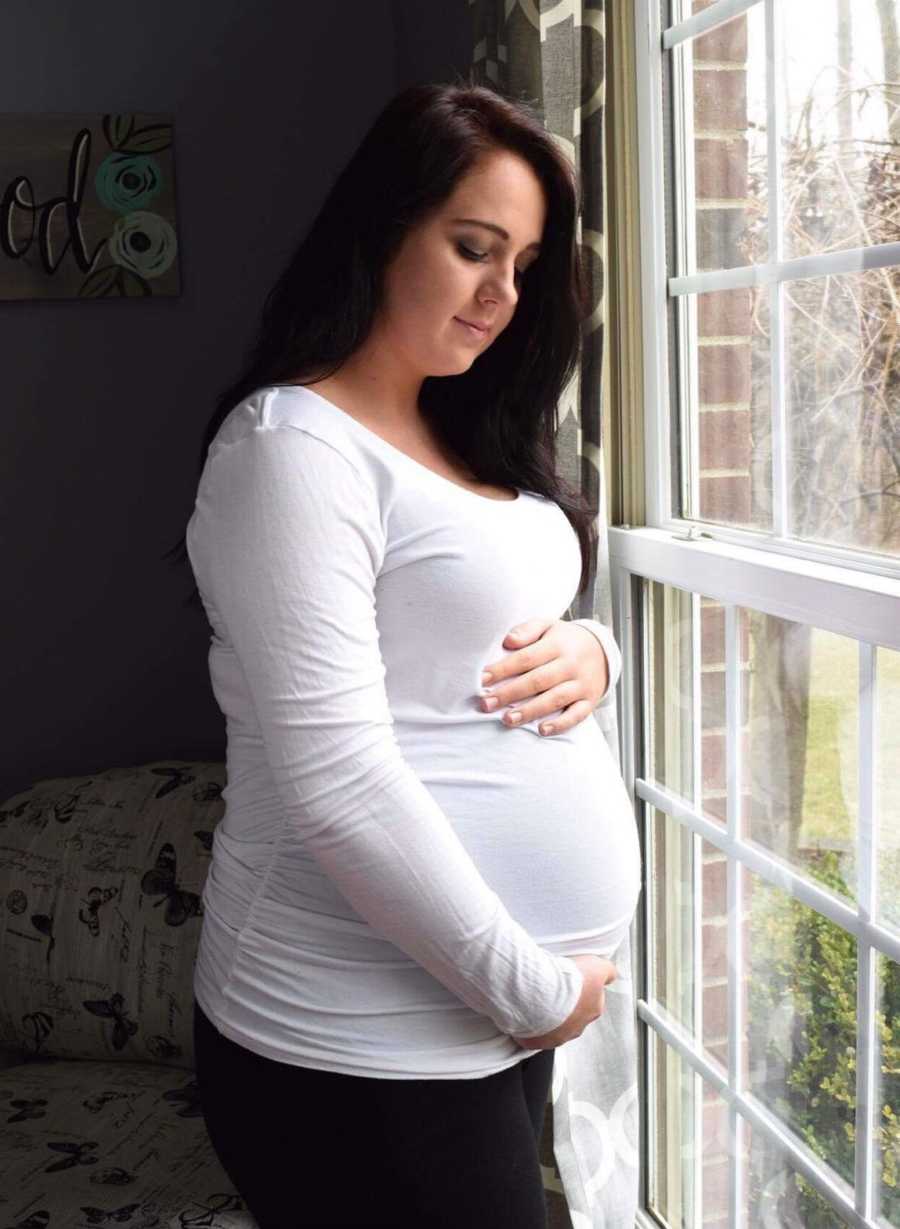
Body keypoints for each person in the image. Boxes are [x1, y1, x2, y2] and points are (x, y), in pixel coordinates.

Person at [170, 75, 641, 1229]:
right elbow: (340, 782)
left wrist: (597, 653)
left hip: (479, 1019)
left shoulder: (458, 426)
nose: (501, 294)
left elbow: (476, 621)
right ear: (382, 226)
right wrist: (529, 989)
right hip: (353, 1038)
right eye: (474, 246)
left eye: (524, 265)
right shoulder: (291, 450)